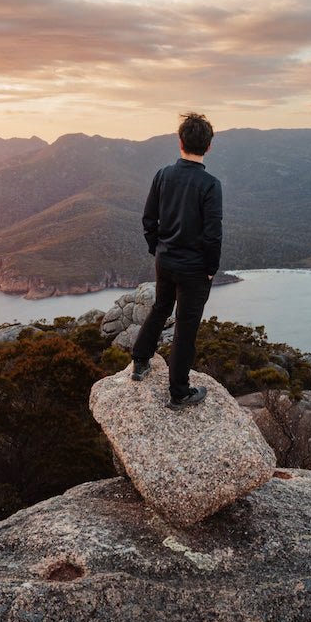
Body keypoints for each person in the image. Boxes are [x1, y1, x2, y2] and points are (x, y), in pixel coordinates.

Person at [130, 112, 223, 408]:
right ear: (208, 147)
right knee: (185, 326)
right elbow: (212, 235)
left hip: (166, 261)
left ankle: (140, 362)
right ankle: (179, 392)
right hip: (194, 269)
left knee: (160, 308)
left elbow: (148, 219)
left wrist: (156, 248)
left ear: (180, 141)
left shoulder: (163, 175)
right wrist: (210, 270)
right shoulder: (210, 184)